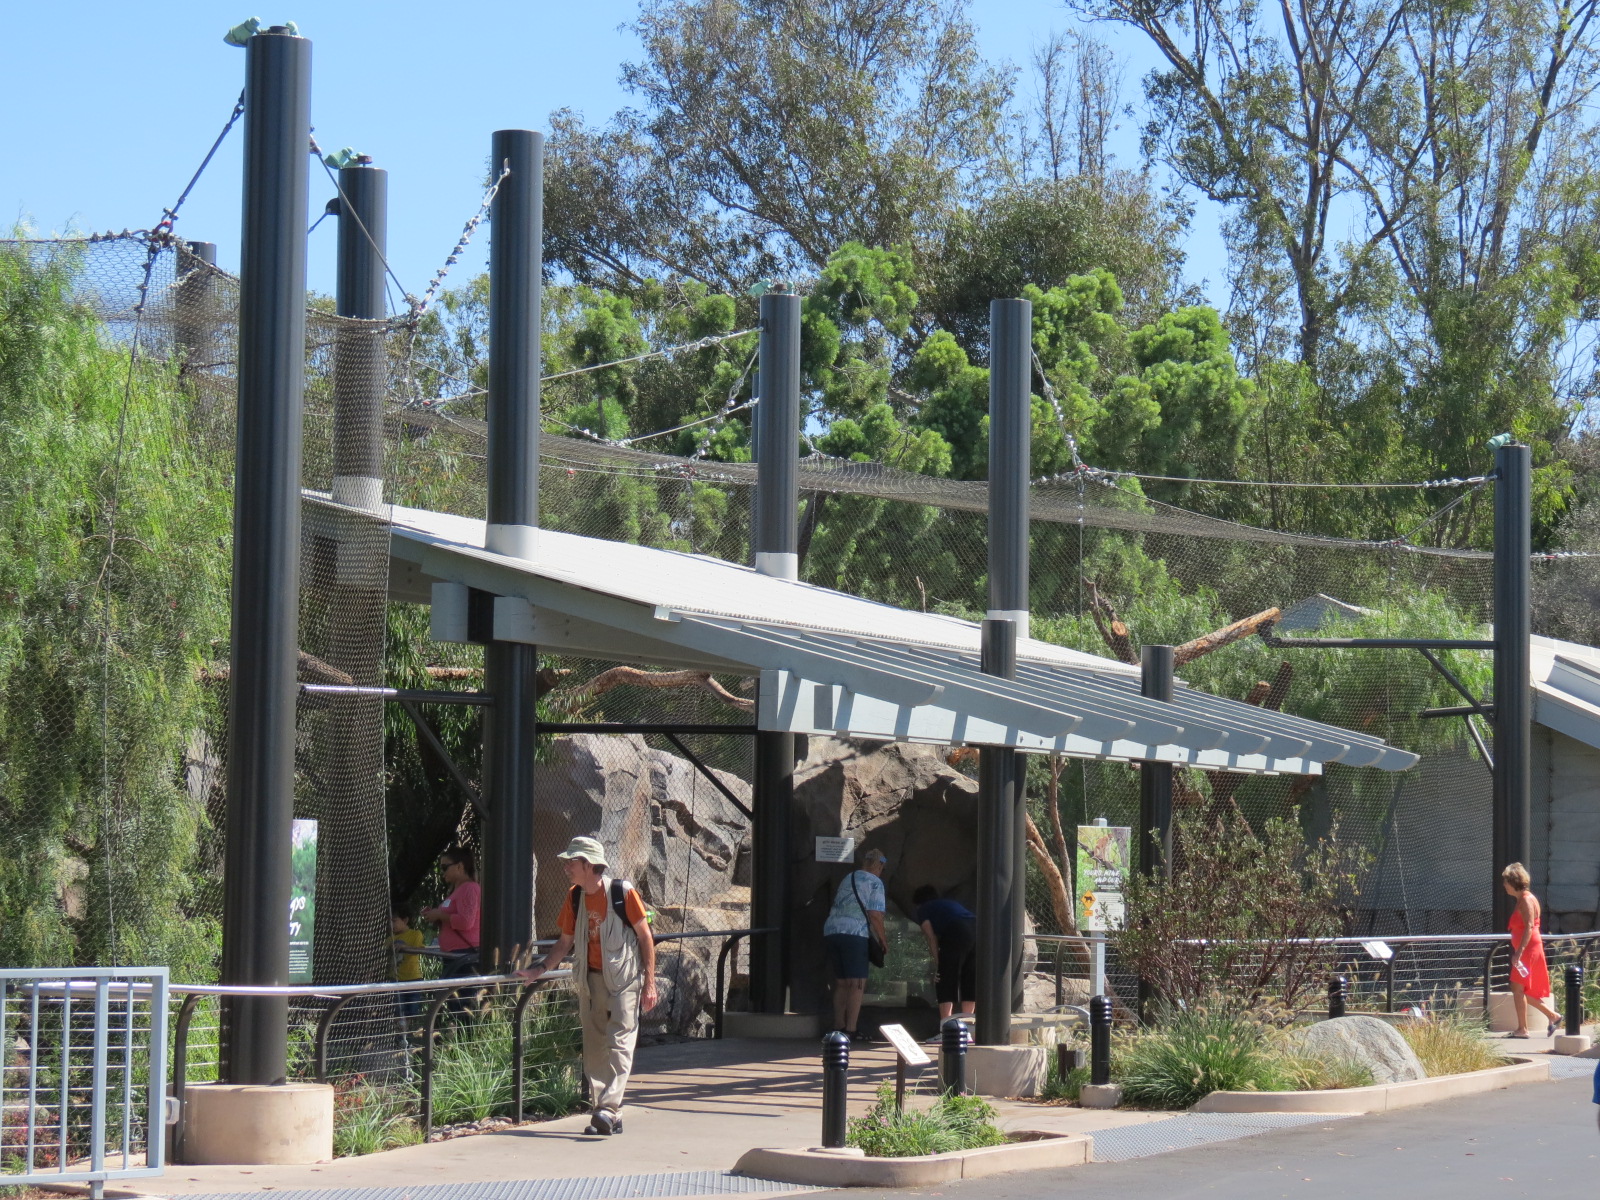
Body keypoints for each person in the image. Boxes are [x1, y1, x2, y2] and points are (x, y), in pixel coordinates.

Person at [519, 836, 656, 1137]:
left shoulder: (622, 893)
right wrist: (540, 969)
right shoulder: (575, 897)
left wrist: (649, 983)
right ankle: (607, 1114)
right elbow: (565, 942)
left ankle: (608, 1107)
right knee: (594, 1047)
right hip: (590, 980)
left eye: (572, 861)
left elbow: (645, 937)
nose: (566, 866)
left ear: (589, 865)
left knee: (620, 1042)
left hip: (624, 981)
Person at [822, 847, 887, 1043]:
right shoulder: (875, 882)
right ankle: (851, 1030)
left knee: (842, 983)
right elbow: (875, 915)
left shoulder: (849, 877)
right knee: (857, 984)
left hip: (832, 930)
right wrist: (883, 939)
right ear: (880, 866)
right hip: (855, 933)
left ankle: (838, 1027)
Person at [1502, 861, 1562, 1037]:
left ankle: (1524, 1028)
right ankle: (1551, 1016)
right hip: (1529, 947)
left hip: (1528, 949)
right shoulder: (1524, 898)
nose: (1504, 885)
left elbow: (1528, 926)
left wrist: (1518, 953)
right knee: (1519, 989)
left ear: (1513, 882)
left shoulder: (1527, 900)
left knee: (1518, 988)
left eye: (1506, 881)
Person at [912, 885, 976, 1021]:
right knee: (969, 979)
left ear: (918, 903)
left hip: (957, 931)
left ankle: (945, 1029)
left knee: (944, 979)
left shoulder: (924, 908)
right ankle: (968, 1028)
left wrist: (939, 964)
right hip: (977, 930)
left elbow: (931, 937)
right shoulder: (949, 904)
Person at [422, 846, 481, 981]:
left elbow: (466, 922)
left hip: (465, 955)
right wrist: (436, 917)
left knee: (462, 1000)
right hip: (454, 955)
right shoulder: (457, 890)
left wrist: (440, 915)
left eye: (445, 867)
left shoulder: (469, 888)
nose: (442, 873)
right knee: (453, 1000)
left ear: (460, 866)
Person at [391, 904, 426, 1022]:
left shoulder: (415, 934)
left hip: (412, 979)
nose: (391, 925)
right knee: (397, 1012)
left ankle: (410, 1035)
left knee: (412, 1011)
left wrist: (405, 947)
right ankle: (400, 1037)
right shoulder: (389, 939)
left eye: (394, 921)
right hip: (395, 981)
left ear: (405, 920)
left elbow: (420, 950)